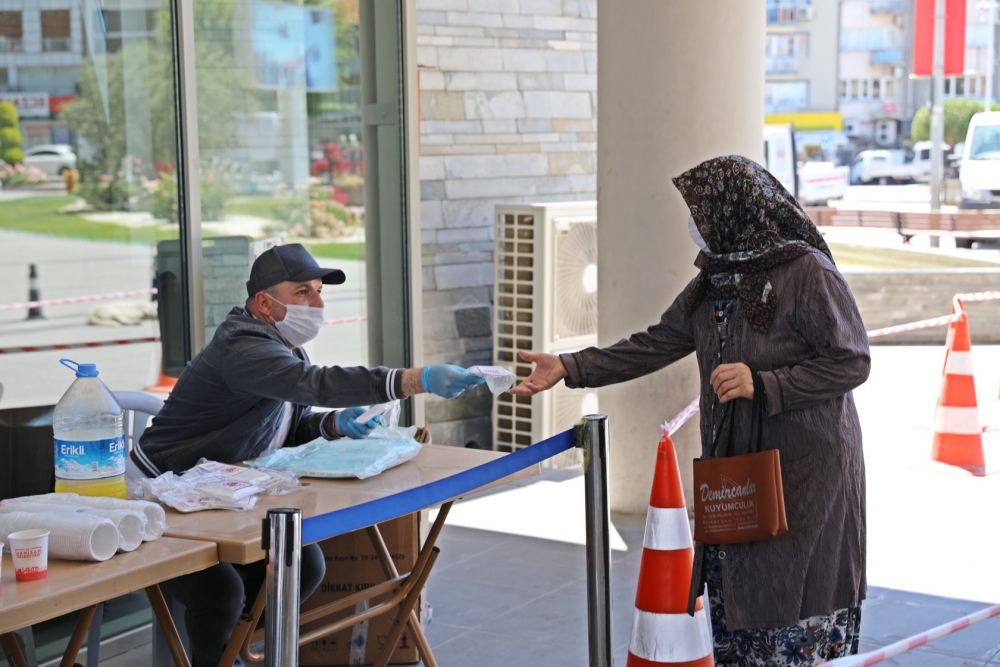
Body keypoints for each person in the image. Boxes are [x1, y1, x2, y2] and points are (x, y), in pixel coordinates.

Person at [512, 156, 869, 666]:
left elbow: (851, 360)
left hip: (804, 469)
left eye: (703, 210)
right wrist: (569, 366)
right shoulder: (714, 279)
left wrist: (764, 383)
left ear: (738, 210)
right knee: (735, 586)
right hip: (735, 464)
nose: (696, 224)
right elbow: (656, 342)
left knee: (791, 597)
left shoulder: (807, 271)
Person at [130, 243, 484, 667]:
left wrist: (333, 425)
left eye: (318, 291)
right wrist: (414, 379)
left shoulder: (284, 345)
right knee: (219, 591)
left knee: (302, 563)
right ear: (264, 302)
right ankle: (224, 657)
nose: (317, 304)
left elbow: (280, 428)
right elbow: (313, 384)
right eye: (302, 293)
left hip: (216, 494)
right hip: (160, 498)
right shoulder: (243, 346)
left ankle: (238, 649)